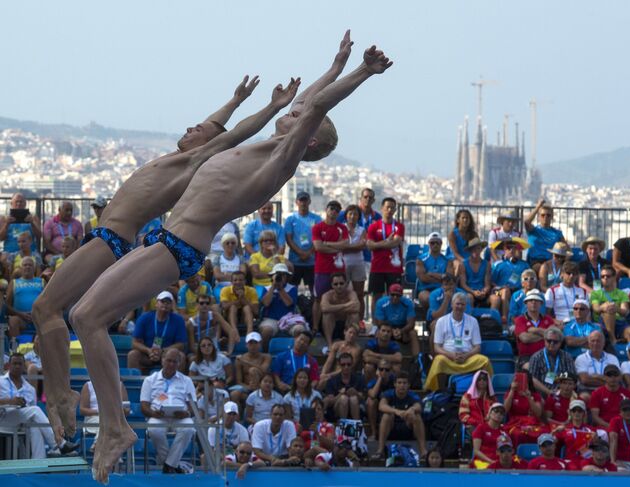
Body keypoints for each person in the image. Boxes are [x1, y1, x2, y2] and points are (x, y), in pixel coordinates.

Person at [68, 35, 390, 480]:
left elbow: (314, 109)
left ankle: (115, 428)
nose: (293, 110)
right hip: (163, 240)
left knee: (88, 318)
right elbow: (314, 100)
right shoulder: (264, 146)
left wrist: (361, 73)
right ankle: (114, 425)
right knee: (82, 314)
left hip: (176, 247)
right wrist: (335, 64)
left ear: (308, 138)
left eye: (297, 116)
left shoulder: (282, 158)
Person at [30, 73, 274, 448]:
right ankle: (60, 392)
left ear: (206, 143)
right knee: (45, 309)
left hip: (111, 240)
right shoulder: (181, 156)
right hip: (104, 238)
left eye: (198, 129)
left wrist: (272, 106)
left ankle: (62, 394)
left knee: (48, 306)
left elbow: (230, 134)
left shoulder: (195, 160)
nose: (191, 127)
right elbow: (216, 126)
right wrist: (234, 100)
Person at [0, 353, 79, 459]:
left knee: (35, 423)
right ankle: (58, 443)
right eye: (14, 364)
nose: (17, 366)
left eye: (20, 364)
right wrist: (10, 401)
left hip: (21, 421)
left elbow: (31, 410)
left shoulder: (30, 388)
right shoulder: (0, 381)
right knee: (35, 411)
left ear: (24, 366)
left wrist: (22, 405)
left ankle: (39, 462)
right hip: (3, 417)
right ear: (9, 365)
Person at [140, 348, 196, 474]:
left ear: (179, 363)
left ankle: (169, 464)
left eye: (175, 362)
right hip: (157, 415)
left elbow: (193, 406)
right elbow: (144, 406)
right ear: (162, 360)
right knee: (154, 430)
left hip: (180, 416)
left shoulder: (186, 380)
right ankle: (172, 464)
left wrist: (186, 413)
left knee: (188, 428)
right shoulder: (150, 380)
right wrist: (153, 413)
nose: (171, 364)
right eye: (169, 360)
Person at [424, 292, 492, 391]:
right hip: (448, 358)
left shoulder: (473, 321)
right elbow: (437, 347)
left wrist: (466, 355)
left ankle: (485, 392)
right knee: (438, 360)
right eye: (457, 304)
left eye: (462, 304)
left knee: (484, 361)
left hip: (468, 358)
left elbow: (477, 347)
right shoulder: (441, 321)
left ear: (465, 306)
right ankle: (438, 392)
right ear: (452, 304)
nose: (459, 307)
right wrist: (451, 355)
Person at [312, 200, 350, 332]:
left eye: (336, 210)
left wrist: (327, 243)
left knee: (341, 298)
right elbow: (318, 247)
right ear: (326, 210)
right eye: (331, 208)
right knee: (318, 299)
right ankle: (315, 327)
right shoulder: (317, 227)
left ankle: (341, 328)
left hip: (338, 270)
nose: (333, 212)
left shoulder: (342, 228)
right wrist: (336, 247)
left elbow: (345, 245)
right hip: (322, 269)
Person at [127, 291, 188, 374]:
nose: (165, 305)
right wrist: (148, 351)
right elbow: (135, 343)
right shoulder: (144, 318)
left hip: (168, 353)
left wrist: (163, 351)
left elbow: (181, 344)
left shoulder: (178, 320)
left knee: (181, 356)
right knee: (133, 355)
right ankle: (135, 384)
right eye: (162, 302)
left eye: (168, 303)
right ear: (156, 304)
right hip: (148, 354)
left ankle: (176, 384)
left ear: (171, 306)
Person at [366, 197, 404, 322]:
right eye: (387, 207)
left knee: (394, 296)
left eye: (392, 207)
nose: (389, 210)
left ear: (395, 210)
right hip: (377, 267)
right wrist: (386, 241)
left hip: (394, 268)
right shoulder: (373, 226)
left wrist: (379, 244)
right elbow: (369, 245)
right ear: (382, 208)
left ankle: (391, 323)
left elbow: (395, 243)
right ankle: (375, 324)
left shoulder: (399, 226)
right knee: (376, 297)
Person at [374, 371, 427, 460]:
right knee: (387, 416)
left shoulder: (412, 395)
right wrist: (396, 411)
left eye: (404, 383)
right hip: (390, 428)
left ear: (409, 385)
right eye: (399, 383)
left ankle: (423, 451)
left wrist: (412, 409)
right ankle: (380, 450)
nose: (402, 385)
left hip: (407, 428)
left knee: (416, 416)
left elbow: (419, 406)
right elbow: (381, 406)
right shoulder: (388, 393)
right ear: (395, 384)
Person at [591, 264, 630, 346]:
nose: (605, 278)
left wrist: (616, 308)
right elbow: (595, 309)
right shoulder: (595, 294)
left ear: (614, 277)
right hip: (601, 324)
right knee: (608, 310)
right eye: (602, 276)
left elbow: (625, 311)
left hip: (620, 323)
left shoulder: (622, 294)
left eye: (608, 276)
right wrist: (603, 307)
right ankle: (613, 339)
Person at [284, 191, 321, 295]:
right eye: (301, 200)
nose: (303, 203)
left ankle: (313, 310)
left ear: (309, 202)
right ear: (296, 202)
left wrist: (308, 253)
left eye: (305, 200)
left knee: (314, 291)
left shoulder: (316, 219)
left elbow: (319, 238)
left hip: (312, 261)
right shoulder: (290, 219)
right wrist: (301, 253)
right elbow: (289, 239)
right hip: (295, 261)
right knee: (292, 290)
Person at [79, 379, 130, 451]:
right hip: (93, 417)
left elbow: (126, 409)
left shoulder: (119, 385)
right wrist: (100, 412)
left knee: (111, 422)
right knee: (107, 423)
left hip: (114, 417)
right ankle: (112, 453)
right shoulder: (88, 385)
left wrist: (122, 410)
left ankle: (98, 445)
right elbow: (82, 410)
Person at [259, 263, 300, 348]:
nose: (280, 277)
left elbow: (288, 303)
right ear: (272, 276)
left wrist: (280, 288)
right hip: (271, 319)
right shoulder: (266, 289)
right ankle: (265, 353)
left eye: (283, 275)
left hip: (289, 319)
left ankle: (297, 353)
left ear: (287, 277)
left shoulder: (292, 288)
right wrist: (273, 287)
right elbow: (266, 303)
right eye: (278, 274)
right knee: (266, 331)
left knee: (299, 330)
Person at [490, 238, 531, 323]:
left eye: (514, 248)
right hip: (499, 292)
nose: (512, 250)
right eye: (509, 248)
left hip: (518, 291)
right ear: (504, 249)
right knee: (505, 291)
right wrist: (500, 287)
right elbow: (491, 282)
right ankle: (505, 318)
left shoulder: (524, 265)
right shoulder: (498, 265)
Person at [528, 327, 577, 396]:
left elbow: (572, 377)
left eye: (555, 342)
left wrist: (559, 385)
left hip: (564, 393)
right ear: (544, 340)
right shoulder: (536, 357)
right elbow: (532, 379)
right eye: (549, 341)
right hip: (542, 394)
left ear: (560, 343)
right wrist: (548, 392)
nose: (552, 343)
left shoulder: (567, 357)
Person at [504, 371, 547, 447]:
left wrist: (529, 397)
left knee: (543, 433)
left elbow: (538, 413)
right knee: (518, 434)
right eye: (518, 380)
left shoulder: (535, 395)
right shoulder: (510, 393)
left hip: (533, 423)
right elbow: (505, 410)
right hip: (515, 424)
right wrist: (512, 390)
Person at [374, 283, 418, 355]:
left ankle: (417, 359)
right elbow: (379, 323)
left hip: (403, 327)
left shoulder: (408, 303)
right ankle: (377, 355)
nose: (395, 297)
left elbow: (411, 323)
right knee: (378, 333)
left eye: (398, 295)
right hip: (386, 326)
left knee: (413, 333)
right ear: (388, 294)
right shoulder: (381, 303)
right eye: (393, 295)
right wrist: (391, 330)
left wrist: (401, 331)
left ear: (401, 296)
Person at [341, 204, 368, 321]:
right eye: (350, 214)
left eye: (355, 214)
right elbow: (340, 247)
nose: (352, 216)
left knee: (359, 294)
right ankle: (344, 320)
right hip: (343, 264)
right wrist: (353, 246)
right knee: (342, 293)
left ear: (359, 217)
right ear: (346, 216)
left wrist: (347, 247)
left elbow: (362, 246)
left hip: (358, 264)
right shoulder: (341, 228)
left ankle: (360, 320)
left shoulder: (362, 230)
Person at [513, 289, 555, 365]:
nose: (533, 302)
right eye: (530, 300)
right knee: (531, 368)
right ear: (526, 303)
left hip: (547, 355)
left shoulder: (548, 319)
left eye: (536, 300)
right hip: (526, 357)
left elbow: (553, 337)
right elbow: (525, 338)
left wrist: (535, 330)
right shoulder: (520, 320)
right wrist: (545, 335)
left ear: (541, 303)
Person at [320, 273, 360, 351]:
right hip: (331, 326)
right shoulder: (327, 295)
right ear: (332, 285)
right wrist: (346, 305)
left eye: (341, 283)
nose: (339, 286)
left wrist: (332, 308)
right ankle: (330, 345)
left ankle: (350, 344)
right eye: (336, 284)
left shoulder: (351, 293)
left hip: (347, 325)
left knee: (354, 315)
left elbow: (356, 307)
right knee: (327, 314)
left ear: (346, 284)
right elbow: (324, 308)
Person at [6, 256, 44, 337]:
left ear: (34, 268)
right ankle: (15, 348)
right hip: (21, 320)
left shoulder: (42, 282)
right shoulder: (14, 283)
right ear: (20, 268)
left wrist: (37, 314)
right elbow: (7, 306)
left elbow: (49, 303)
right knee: (13, 320)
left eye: (30, 265)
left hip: (39, 319)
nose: (27, 267)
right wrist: (20, 314)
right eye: (25, 265)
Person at [524, 198, 566, 271]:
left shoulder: (557, 233)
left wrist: (564, 261)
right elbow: (527, 222)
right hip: (535, 261)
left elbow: (567, 248)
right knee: (542, 268)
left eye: (548, 215)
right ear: (539, 217)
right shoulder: (533, 230)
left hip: (552, 261)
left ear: (552, 217)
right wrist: (538, 206)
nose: (545, 217)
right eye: (543, 215)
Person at [230, 332, 271, 407]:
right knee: (234, 394)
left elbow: (263, 370)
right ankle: (237, 417)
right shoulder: (240, 360)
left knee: (253, 370)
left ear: (260, 344)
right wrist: (248, 387)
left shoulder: (266, 357)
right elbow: (239, 381)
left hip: (262, 388)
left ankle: (257, 397)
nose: (253, 346)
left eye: (255, 343)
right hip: (247, 388)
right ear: (246, 345)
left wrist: (245, 362)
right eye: (250, 343)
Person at [575, 331, 620, 398]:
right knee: (584, 397)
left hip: (609, 389)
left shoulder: (612, 358)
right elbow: (585, 380)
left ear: (603, 343)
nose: (595, 343)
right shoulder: (581, 358)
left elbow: (617, 378)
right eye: (593, 341)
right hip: (588, 389)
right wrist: (608, 381)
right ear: (588, 343)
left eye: (598, 341)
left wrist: (597, 376)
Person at [553, 399, 597, 467]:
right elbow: (550, 443)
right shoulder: (564, 429)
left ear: (584, 413)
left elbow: (597, 448)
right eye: (574, 410)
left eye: (579, 411)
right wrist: (554, 432)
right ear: (570, 413)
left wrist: (595, 440)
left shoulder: (591, 430)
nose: (577, 413)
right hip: (570, 462)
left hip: (587, 462)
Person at [323, 352, 366, 420]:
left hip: (355, 408)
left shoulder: (359, 379)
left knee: (353, 399)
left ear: (352, 365)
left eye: (348, 364)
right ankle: (343, 426)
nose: (346, 367)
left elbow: (363, 398)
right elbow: (330, 402)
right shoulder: (332, 380)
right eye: (343, 365)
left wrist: (356, 393)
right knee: (344, 398)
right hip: (338, 410)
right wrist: (340, 394)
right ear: (339, 365)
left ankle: (357, 426)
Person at [415, 231, 451, 309]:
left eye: (437, 243)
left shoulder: (447, 260)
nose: (435, 245)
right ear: (428, 243)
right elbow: (423, 278)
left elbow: (448, 278)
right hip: (425, 290)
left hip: (442, 289)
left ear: (441, 244)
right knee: (428, 298)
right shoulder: (420, 259)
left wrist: (431, 274)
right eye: (432, 243)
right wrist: (441, 277)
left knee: (448, 297)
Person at [219, 270, 259, 336]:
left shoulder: (252, 290)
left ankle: (250, 332)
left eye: (241, 280)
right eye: (235, 280)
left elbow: (256, 311)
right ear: (231, 282)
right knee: (233, 307)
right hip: (229, 316)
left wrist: (243, 298)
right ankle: (234, 331)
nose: (238, 282)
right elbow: (224, 307)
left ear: (245, 281)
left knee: (247, 308)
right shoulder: (225, 290)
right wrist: (238, 301)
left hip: (245, 316)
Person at [458, 237, 493, 308]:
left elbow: (487, 284)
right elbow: (463, 284)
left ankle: (492, 318)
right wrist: (473, 292)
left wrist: (484, 291)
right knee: (469, 297)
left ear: (481, 249)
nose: (476, 251)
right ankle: (469, 317)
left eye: (478, 248)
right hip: (469, 292)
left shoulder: (487, 264)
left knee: (496, 298)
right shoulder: (463, 264)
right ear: (470, 251)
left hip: (483, 292)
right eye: (473, 249)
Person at [365, 358, 396, 440]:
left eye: (387, 369)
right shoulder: (373, 381)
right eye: (381, 369)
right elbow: (373, 395)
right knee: (371, 401)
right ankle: (374, 433)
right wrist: (380, 379)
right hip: (376, 410)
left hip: (390, 408)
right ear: (377, 370)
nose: (384, 372)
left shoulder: (395, 381)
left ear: (391, 371)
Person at [470, 402, 507, 468]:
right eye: (496, 411)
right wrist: (491, 462)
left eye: (501, 413)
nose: (498, 414)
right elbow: (476, 451)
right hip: (482, 461)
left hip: (498, 461)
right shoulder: (481, 428)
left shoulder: (504, 431)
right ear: (489, 413)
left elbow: (506, 449)